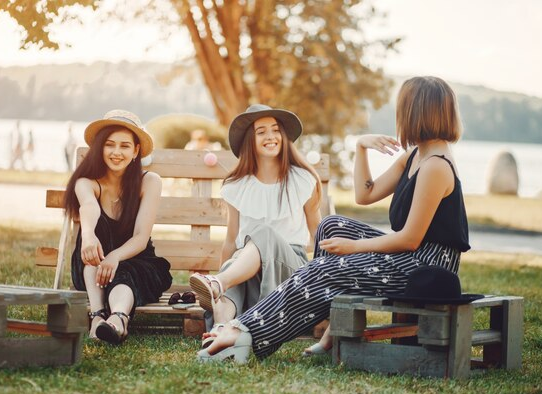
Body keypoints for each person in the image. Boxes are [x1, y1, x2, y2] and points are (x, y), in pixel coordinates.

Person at [197, 76, 471, 363]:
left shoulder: (435, 166)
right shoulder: (415, 156)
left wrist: (352, 249)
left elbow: (410, 239)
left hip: (427, 267)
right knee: (331, 225)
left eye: (402, 110)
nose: (398, 117)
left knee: (324, 270)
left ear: (416, 114)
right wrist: (361, 148)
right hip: (411, 257)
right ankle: (331, 328)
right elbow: (365, 195)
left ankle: (244, 333)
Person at [189, 104, 322, 348]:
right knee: (235, 264)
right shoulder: (236, 185)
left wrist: (321, 282)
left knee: (263, 233)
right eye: (261, 131)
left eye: (275, 130)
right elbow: (231, 240)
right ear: (251, 140)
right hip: (246, 268)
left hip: (290, 268)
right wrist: (223, 271)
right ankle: (221, 328)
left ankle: (220, 284)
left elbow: (318, 234)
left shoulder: (302, 180)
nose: (270, 136)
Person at [63, 109, 173, 345]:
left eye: (124, 146)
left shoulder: (149, 182)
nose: (116, 152)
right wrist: (89, 236)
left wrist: (115, 256)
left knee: (123, 272)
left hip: (138, 261)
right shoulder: (87, 183)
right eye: (110, 145)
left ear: (135, 152)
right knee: (95, 261)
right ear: (100, 148)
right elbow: (89, 207)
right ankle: (99, 317)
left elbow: (141, 237)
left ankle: (116, 319)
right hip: (92, 264)